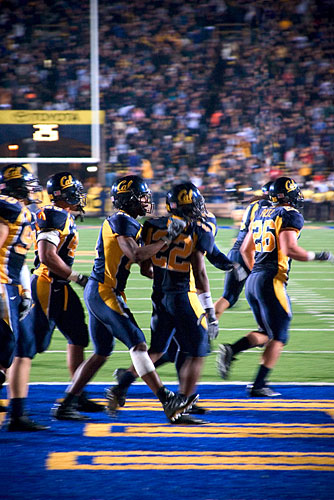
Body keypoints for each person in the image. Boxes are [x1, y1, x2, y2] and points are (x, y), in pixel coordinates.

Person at [52, 175, 197, 423]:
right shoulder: (121, 220)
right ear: (129, 200)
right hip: (105, 291)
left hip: (102, 291)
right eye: (141, 197)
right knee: (139, 345)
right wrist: (165, 240)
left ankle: (66, 404)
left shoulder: (129, 222)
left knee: (101, 352)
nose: (145, 201)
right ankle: (167, 399)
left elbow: (145, 267)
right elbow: (136, 254)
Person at [111, 195, 242, 419]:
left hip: (159, 297)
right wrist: (210, 310)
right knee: (199, 350)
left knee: (158, 349)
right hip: (185, 297)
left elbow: (145, 268)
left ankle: (122, 384)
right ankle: (182, 402)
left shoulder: (151, 226)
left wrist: (164, 272)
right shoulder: (200, 227)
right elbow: (202, 270)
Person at [216, 176, 334, 396]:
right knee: (280, 335)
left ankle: (232, 350)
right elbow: (291, 250)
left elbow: (245, 249)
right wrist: (321, 256)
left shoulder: (261, 212)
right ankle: (259, 384)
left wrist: (257, 275)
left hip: (254, 279)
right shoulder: (290, 215)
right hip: (271, 280)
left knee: (267, 332)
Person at [30, 172, 101, 414]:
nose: (80, 196)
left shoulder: (63, 215)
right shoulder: (56, 214)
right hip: (46, 284)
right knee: (30, 344)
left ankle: (76, 394)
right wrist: (76, 276)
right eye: (76, 191)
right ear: (67, 193)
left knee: (78, 336)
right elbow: (46, 256)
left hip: (59, 286)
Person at [0, 164, 46, 430]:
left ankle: (17, 415)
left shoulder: (23, 212)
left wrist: (25, 291)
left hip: (13, 287)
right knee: (5, 349)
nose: (34, 191)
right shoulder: (10, 210)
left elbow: (18, 259)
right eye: (29, 186)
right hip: (3, 287)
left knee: (18, 349)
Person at [214, 181, 272, 320]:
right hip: (249, 253)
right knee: (268, 292)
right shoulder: (266, 206)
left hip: (236, 252)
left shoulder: (254, 204)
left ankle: (205, 327)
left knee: (229, 296)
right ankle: (268, 332)